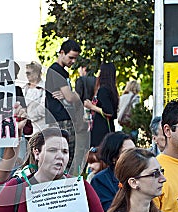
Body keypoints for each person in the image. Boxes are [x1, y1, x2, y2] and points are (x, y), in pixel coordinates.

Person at [45, 39, 82, 174]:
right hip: (61, 120)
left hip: (59, 119)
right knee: (66, 157)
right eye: (71, 57)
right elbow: (70, 97)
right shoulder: (56, 70)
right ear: (61, 53)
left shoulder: (60, 71)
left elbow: (67, 95)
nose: (73, 61)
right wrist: (76, 95)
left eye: (75, 58)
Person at [90, 131, 135, 212]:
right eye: (127, 152)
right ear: (114, 157)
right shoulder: (101, 181)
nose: (134, 155)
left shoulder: (142, 174)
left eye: (135, 151)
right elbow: (110, 211)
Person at [84, 62, 119, 147]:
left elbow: (109, 112)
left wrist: (91, 106)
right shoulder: (112, 90)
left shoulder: (103, 90)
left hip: (101, 130)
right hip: (108, 129)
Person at [22, 61, 47, 135]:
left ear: (37, 73)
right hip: (25, 128)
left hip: (40, 127)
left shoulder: (45, 87)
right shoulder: (24, 88)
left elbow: (44, 107)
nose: (27, 75)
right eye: (26, 73)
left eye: (29, 73)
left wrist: (29, 117)